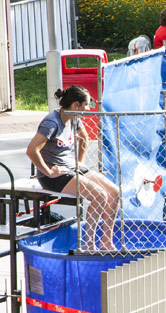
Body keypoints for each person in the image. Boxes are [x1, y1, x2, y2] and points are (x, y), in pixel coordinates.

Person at [26, 86, 120, 250]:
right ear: (76, 105)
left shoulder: (74, 118)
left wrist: (79, 162)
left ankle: (106, 241)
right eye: (86, 105)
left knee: (114, 192)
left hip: (71, 167)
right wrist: (48, 171)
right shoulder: (52, 122)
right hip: (54, 175)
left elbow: (84, 139)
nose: (88, 109)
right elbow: (32, 150)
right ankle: (88, 245)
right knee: (99, 196)